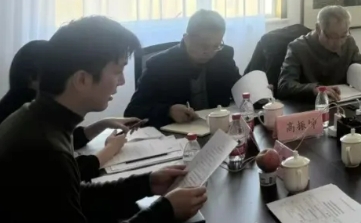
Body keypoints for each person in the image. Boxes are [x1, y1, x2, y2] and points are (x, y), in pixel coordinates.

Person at [0, 16, 207, 222]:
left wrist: (147, 184)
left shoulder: (34, 117)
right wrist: (166, 210)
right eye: (117, 71)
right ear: (82, 79)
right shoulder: (47, 149)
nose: (122, 81)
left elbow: (74, 196)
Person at [0, 40, 140, 180]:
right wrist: (110, 149)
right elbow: (66, 171)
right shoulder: (29, 121)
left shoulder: (25, 109)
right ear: (32, 78)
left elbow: (65, 139)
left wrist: (103, 124)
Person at [125, 10, 241, 128]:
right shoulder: (160, 65)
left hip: (217, 129)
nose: (210, 52)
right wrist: (168, 111)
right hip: (176, 134)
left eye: (216, 46)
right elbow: (133, 112)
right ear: (186, 39)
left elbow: (241, 91)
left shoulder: (223, 57)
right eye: (204, 45)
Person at [276, 5, 361, 101]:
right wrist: (315, 90)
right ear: (318, 29)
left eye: (343, 35)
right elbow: (284, 86)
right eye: (332, 36)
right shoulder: (297, 47)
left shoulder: (349, 42)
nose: (338, 43)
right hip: (310, 106)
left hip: (343, 102)